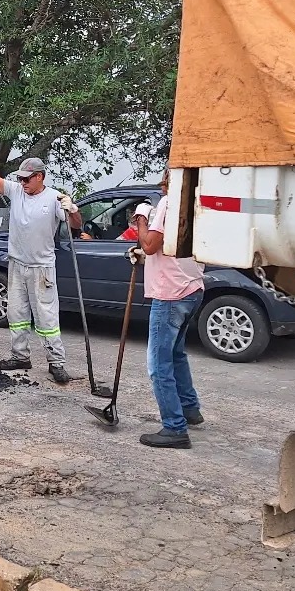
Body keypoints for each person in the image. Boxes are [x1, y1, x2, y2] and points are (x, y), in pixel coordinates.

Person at [0, 132, 82, 384]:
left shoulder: (54, 198)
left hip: (41, 268)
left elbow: (75, 226)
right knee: (16, 314)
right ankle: (20, 356)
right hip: (16, 264)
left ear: (40, 177)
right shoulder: (15, 191)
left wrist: (72, 210)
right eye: (21, 178)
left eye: (28, 178)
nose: (23, 182)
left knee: (47, 318)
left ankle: (56, 363)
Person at [131, 170, 206, 449]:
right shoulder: (199, 202)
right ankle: (189, 408)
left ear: (170, 181)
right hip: (192, 286)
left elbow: (150, 245)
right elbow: (167, 248)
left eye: (163, 182)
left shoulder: (169, 202)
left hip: (170, 294)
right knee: (176, 354)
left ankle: (175, 427)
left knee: (158, 364)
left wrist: (141, 218)